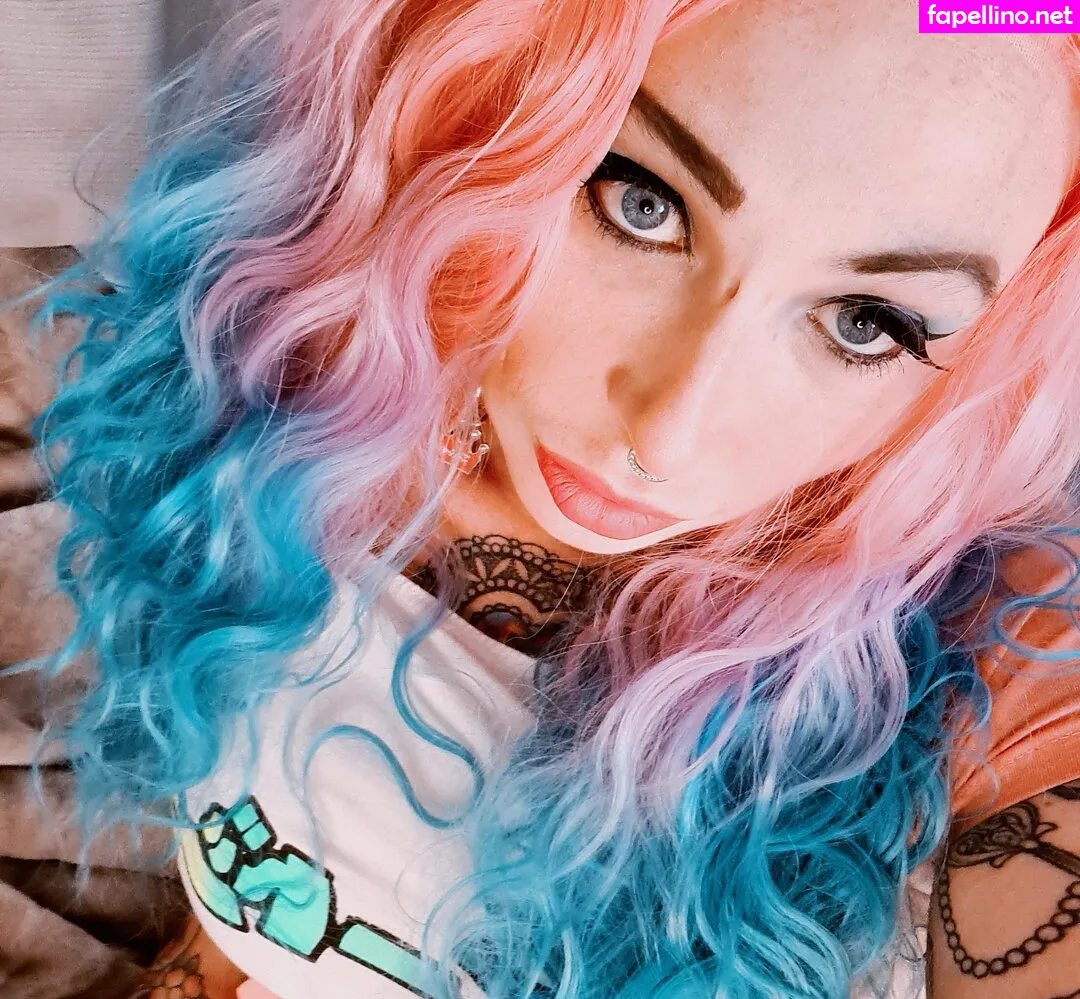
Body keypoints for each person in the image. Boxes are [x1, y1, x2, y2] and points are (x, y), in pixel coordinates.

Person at [23, 0, 1080, 996]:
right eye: (641, 203)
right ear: (479, 100)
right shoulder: (292, 377)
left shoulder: (997, 651)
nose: (666, 433)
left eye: (866, 323)